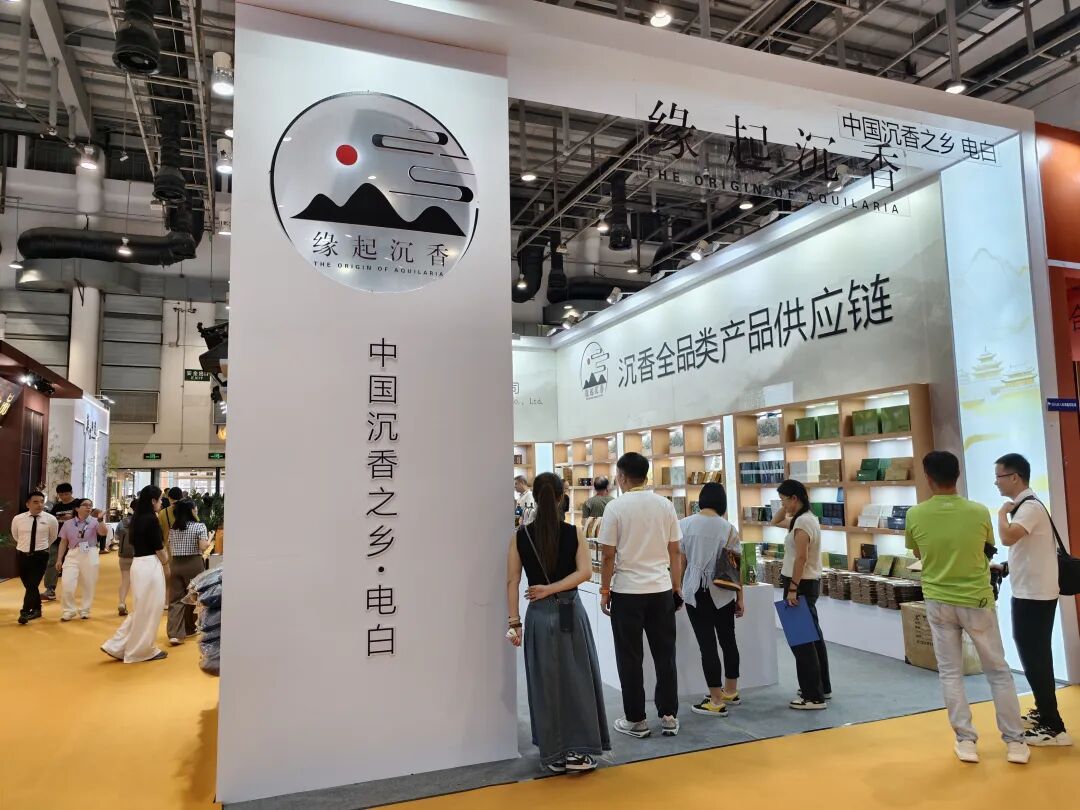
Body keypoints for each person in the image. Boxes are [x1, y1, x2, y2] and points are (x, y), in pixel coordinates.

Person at [905, 451, 1028, 765]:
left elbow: (918, 552)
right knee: (998, 672)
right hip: (977, 600)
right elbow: (985, 549)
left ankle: (966, 740)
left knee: (950, 674)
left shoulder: (915, 514)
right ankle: (1015, 742)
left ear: (928, 478)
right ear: (957, 475)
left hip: (938, 600)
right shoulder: (979, 511)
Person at [506, 472, 610, 774]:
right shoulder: (573, 532)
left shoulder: (520, 536)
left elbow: (512, 581)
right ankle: (578, 751)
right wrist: (554, 589)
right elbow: (584, 573)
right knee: (577, 681)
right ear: (560, 497)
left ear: (536, 498)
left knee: (545, 684)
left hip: (538, 617)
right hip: (570, 613)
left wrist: (514, 622)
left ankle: (553, 754)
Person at [597, 452, 682, 738]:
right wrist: (676, 586)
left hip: (627, 591)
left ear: (621, 477)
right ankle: (669, 715)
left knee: (630, 657)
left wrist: (605, 590)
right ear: (645, 476)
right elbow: (675, 551)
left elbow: (607, 556)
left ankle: (636, 720)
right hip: (661, 589)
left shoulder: (615, 508)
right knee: (665, 655)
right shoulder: (665, 505)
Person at [994, 453, 1072, 746]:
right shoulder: (1029, 506)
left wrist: (1001, 514)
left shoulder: (1028, 507)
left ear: (1014, 477)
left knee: (1035, 657)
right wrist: (1007, 566)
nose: (996, 483)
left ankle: (1054, 727)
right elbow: (1026, 550)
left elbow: (1008, 537)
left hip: (1034, 595)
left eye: (999, 477)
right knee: (1034, 654)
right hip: (1031, 592)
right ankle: (1044, 712)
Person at [679, 482, 744, 716]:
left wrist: (677, 587)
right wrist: (740, 597)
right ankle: (730, 690)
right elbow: (735, 567)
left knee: (707, 645)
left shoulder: (685, 524)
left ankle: (715, 700)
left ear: (702, 500)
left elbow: (681, 562)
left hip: (696, 591)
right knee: (728, 640)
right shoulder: (729, 529)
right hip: (723, 592)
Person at [772, 479, 831, 710]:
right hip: (807, 583)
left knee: (802, 642)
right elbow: (774, 520)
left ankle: (812, 696)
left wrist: (793, 589)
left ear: (795, 498)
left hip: (800, 584)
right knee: (813, 638)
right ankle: (821, 687)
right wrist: (785, 505)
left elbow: (801, 558)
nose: (783, 505)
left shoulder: (803, 522)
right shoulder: (804, 518)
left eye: (784, 500)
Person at [102, 485, 169, 663]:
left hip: (138, 564)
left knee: (141, 608)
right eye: (160, 499)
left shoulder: (136, 519)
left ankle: (118, 645)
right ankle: (141, 650)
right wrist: (166, 563)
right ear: (153, 501)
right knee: (151, 608)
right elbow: (158, 547)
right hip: (150, 565)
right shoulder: (151, 519)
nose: (161, 503)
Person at [166, 499, 210, 645]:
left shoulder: (173, 528)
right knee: (195, 596)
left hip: (176, 564)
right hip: (193, 563)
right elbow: (203, 546)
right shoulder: (199, 526)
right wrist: (209, 539)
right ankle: (190, 628)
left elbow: (169, 546)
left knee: (175, 600)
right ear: (191, 511)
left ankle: (175, 634)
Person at [11, 492, 59, 625]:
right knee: (30, 585)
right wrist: (25, 546)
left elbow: (53, 537)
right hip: (22, 555)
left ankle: (25, 612)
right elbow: (15, 535)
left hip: (40, 556)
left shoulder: (51, 519)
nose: (40, 505)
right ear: (28, 504)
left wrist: (41, 547)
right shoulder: (18, 519)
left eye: (42, 502)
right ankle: (37, 609)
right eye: (36, 502)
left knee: (32, 584)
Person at [55, 499, 108, 621]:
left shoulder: (95, 521)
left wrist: (100, 520)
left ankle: (85, 609)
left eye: (90, 505)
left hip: (90, 552)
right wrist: (59, 559)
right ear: (77, 508)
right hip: (72, 553)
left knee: (89, 583)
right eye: (85, 505)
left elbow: (103, 533)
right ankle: (69, 610)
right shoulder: (68, 523)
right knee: (67, 583)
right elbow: (63, 541)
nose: (88, 507)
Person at [43, 483, 77, 601]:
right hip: (58, 539)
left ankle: (75, 588)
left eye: (66, 494)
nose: (64, 497)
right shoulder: (57, 507)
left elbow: (87, 517)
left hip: (75, 540)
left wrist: (72, 518)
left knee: (74, 564)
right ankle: (50, 589)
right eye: (61, 495)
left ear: (71, 492)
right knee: (52, 562)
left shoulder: (78, 504)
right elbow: (51, 520)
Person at [115, 499, 138, 616]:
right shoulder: (144, 521)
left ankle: (122, 602)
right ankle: (139, 606)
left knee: (125, 580)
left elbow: (117, 538)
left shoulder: (122, 522)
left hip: (124, 555)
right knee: (139, 582)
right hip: (139, 556)